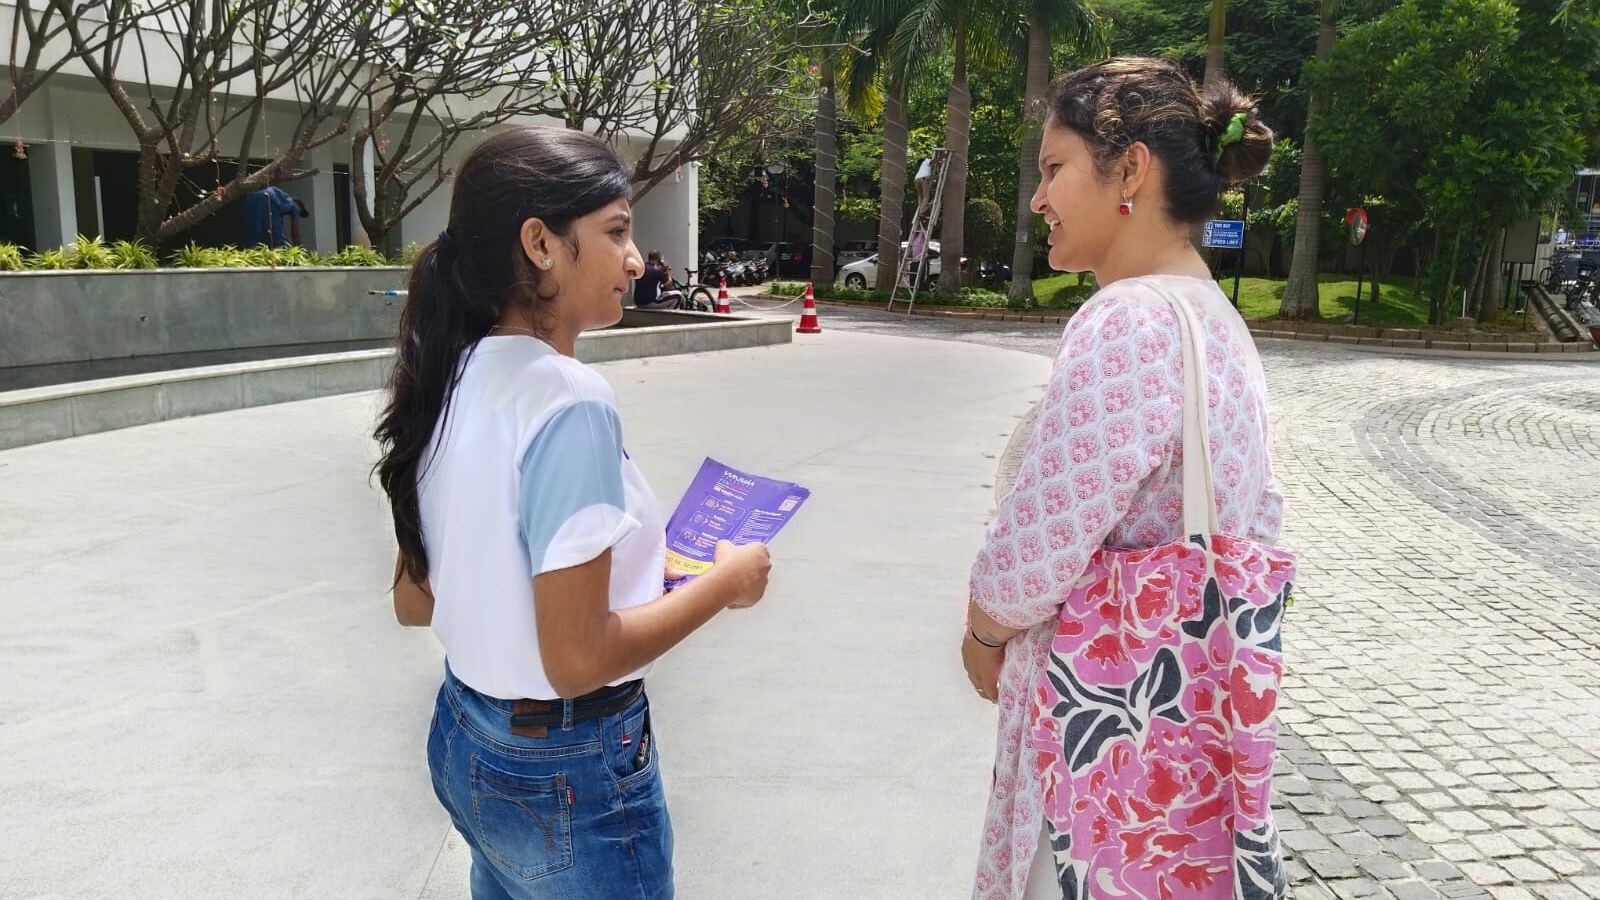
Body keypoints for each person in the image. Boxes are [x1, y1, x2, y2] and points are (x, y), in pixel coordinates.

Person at [373, 126, 774, 900]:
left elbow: (412, 601)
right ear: (541, 244)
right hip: (565, 767)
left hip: (468, 735)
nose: (634, 258)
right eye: (617, 231)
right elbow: (577, 659)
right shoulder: (569, 400)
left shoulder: (447, 376)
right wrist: (726, 583)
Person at [961, 58, 1284, 900]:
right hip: (1180, 752)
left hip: (1091, 758)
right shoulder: (1217, 320)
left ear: (1130, 169)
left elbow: (1038, 545)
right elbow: (1257, 517)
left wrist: (984, 630)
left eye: (1054, 168)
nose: (1039, 198)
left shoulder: (1127, 318)